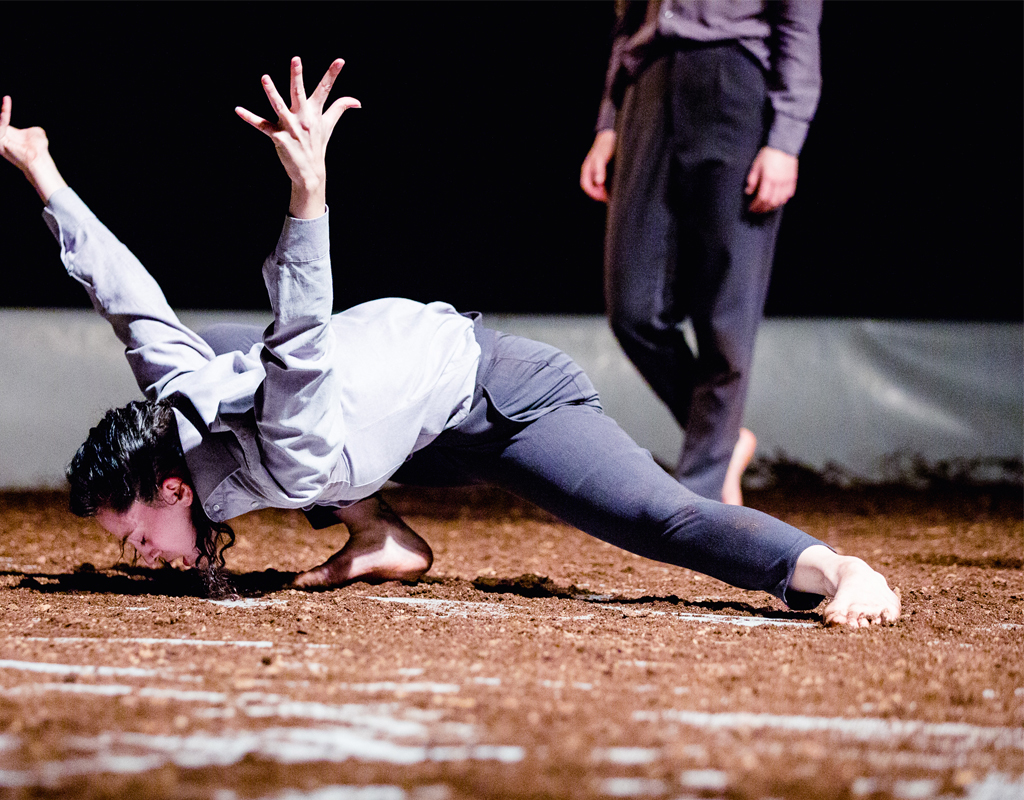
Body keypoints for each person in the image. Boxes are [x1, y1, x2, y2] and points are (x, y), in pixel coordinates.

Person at [0, 58, 899, 627]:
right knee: (211, 349)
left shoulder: (289, 448)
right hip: (396, 426)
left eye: (135, 534)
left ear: (169, 488)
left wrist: (308, 196)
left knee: (655, 517)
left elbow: (302, 330)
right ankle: (382, 536)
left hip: (500, 401)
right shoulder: (180, 410)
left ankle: (832, 567)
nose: (139, 554)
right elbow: (129, 301)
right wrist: (43, 172)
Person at [580, 1, 823, 506]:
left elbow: (798, 27)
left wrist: (786, 140)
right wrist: (608, 124)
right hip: (648, 84)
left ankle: (698, 493)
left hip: (733, 81)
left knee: (725, 309)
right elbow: (627, 25)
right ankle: (722, 441)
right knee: (633, 310)